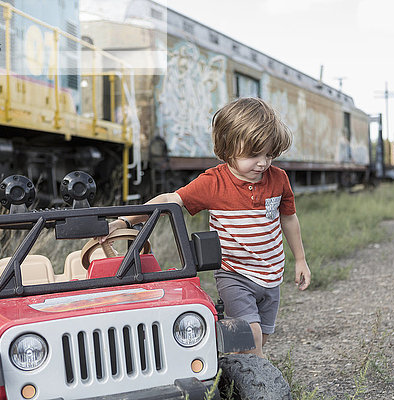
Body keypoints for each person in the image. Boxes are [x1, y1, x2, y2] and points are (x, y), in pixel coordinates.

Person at [103, 97, 311, 357]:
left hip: (271, 275)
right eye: (253, 155)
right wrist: (124, 222)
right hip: (235, 275)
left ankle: (239, 372)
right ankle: (262, 388)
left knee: (260, 338)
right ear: (227, 148)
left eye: (269, 154)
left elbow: (289, 218)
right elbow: (170, 200)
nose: (263, 163)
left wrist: (300, 259)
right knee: (252, 334)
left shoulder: (278, 179)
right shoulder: (213, 183)